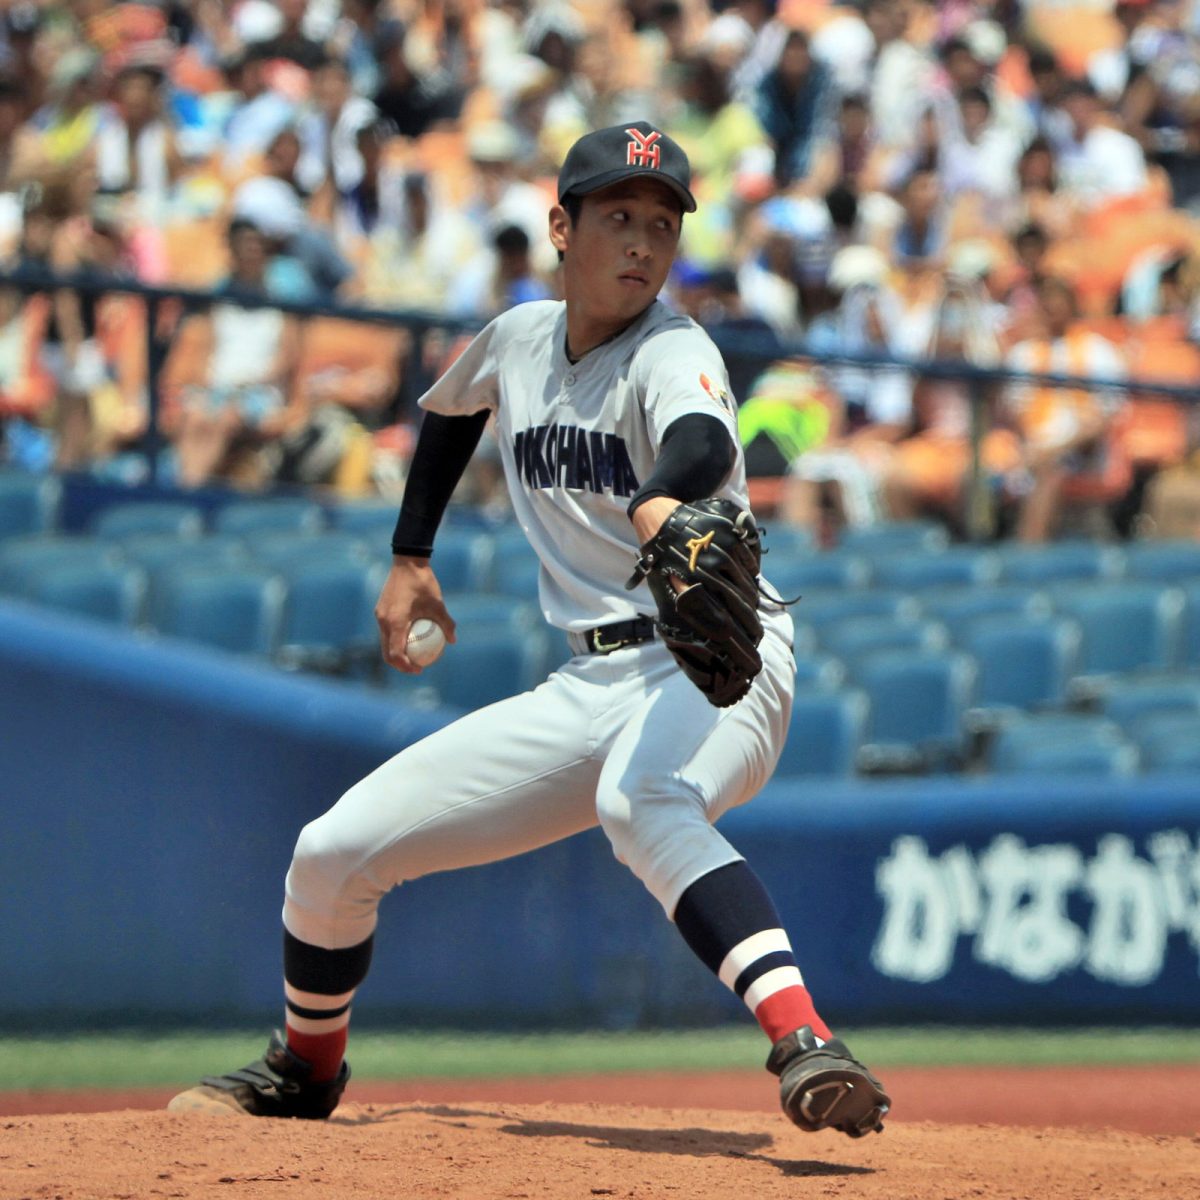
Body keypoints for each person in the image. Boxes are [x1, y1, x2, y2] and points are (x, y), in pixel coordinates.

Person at [166, 121, 890, 1139]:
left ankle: (806, 1041)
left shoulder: (675, 347)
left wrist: (659, 496)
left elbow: (696, 438)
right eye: (619, 218)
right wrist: (410, 557)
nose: (643, 243)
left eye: (661, 225)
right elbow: (454, 413)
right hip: (589, 685)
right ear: (563, 226)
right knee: (332, 852)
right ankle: (306, 1068)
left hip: (715, 665)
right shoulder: (516, 341)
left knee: (642, 803)